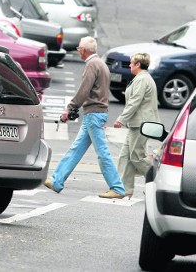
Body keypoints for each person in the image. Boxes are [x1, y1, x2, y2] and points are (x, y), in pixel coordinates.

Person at [45, 36, 125, 199]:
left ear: (83, 50)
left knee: (102, 152)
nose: (78, 51)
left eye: (79, 49)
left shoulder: (91, 65)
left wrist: (71, 107)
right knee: (76, 149)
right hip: (97, 113)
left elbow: (84, 90)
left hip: (94, 114)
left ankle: (117, 187)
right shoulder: (102, 64)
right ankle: (57, 180)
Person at [113, 53, 160, 199]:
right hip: (137, 123)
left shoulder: (142, 79)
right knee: (125, 156)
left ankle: (159, 179)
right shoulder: (142, 78)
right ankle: (123, 189)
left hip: (141, 123)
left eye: (131, 63)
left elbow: (135, 101)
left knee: (136, 157)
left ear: (138, 64)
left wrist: (121, 119)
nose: (129, 65)